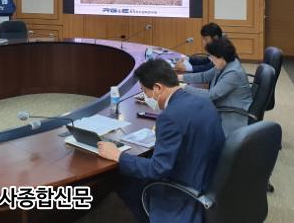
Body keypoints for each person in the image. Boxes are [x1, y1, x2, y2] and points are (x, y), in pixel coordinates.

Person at [97, 59, 225, 223]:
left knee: (122, 179)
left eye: (145, 91)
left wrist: (118, 155)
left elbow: (158, 169)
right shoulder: (203, 101)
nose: (145, 97)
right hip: (209, 179)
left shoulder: (169, 117)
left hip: (184, 190)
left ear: (157, 88)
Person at [179, 37, 252, 136]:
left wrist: (183, 87)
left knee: (190, 118)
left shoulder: (233, 73)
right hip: (220, 106)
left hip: (231, 115)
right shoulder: (224, 63)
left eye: (211, 56)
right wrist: (179, 77)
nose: (211, 60)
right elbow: (204, 76)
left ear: (221, 56)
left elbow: (210, 95)